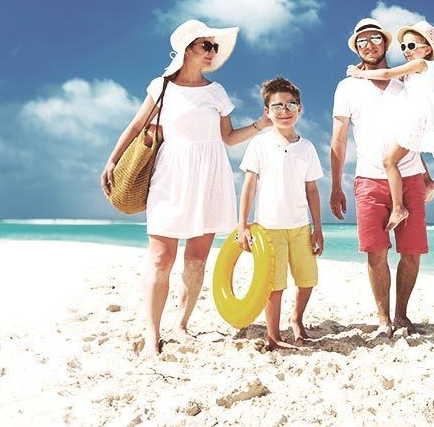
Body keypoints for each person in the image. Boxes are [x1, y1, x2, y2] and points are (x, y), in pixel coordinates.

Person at [101, 19, 271, 357]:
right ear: (188, 49)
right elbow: (136, 125)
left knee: (196, 260)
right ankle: (152, 335)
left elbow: (227, 138)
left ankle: (180, 326)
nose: (212, 52)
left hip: (210, 176)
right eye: (206, 46)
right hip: (171, 175)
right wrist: (111, 161)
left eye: (214, 47)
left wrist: (259, 125)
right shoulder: (161, 86)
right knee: (161, 259)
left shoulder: (216, 92)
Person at [330, 18, 434, 338]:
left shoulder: (408, 82)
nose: (368, 44)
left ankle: (401, 315)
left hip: (411, 175)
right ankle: (383, 318)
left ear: (386, 44)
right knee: (376, 252)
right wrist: (336, 186)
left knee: (412, 251)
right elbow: (339, 138)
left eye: (375, 38)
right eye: (361, 40)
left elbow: (413, 135)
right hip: (369, 180)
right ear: (356, 47)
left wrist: (428, 174)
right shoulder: (347, 86)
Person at [236, 77, 325, 350]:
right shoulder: (260, 144)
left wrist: (318, 228)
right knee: (274, 285)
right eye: (277, 106)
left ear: (300, 109)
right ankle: (273, 336)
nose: (284, 111)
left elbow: (312, 191)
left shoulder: (307, 148)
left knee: (308, 279)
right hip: (269, 227)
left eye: (290, 105)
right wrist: (242, 226)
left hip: (300, 226)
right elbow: (249, 187)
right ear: (267, 112)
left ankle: (297, 320)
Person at [346, 20, 434, 229]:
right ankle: (425, 181)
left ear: (427, 49)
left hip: (415, 120)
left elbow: (386, 74)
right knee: (399, 154)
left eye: (411, 46)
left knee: (389, 161)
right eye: (403, 47)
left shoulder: (420, 64)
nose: (406, 51)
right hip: (413, 119)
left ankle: (398, 207)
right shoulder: (416, 69)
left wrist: (359, 73)